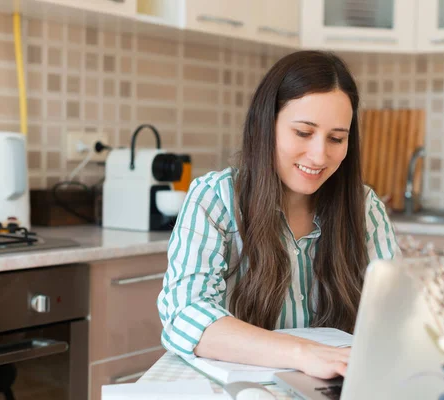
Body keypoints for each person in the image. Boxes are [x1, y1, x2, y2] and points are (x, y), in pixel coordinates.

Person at [157, 50, 400, 380]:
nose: (318, 155)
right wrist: (301, 353)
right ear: (265, 125)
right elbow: (184, 316)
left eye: (336, 138)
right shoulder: (215, 198)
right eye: (303, 132)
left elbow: (396, 313)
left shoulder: (364, 207)